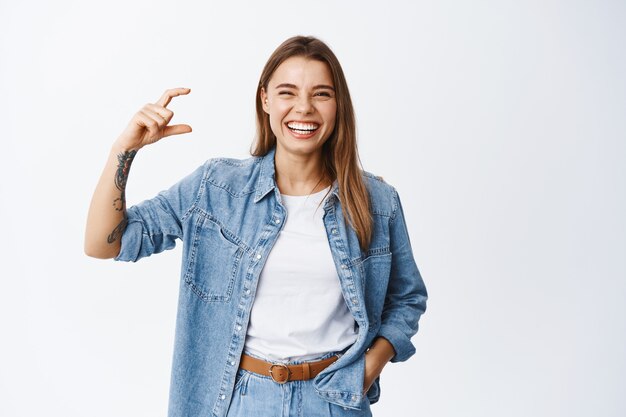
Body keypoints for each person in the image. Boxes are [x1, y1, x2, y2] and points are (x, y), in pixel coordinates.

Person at [85, 35, 427, 417]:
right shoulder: (215, 189)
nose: (304, 108)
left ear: (338, 105)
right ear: (265, 99)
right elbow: (105, 244)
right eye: (287, 92)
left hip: (334, 399)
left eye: (322, 94)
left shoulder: (377, 202)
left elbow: (407, 298)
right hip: (240, 400)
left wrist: (370, 366)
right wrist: (123, 151)